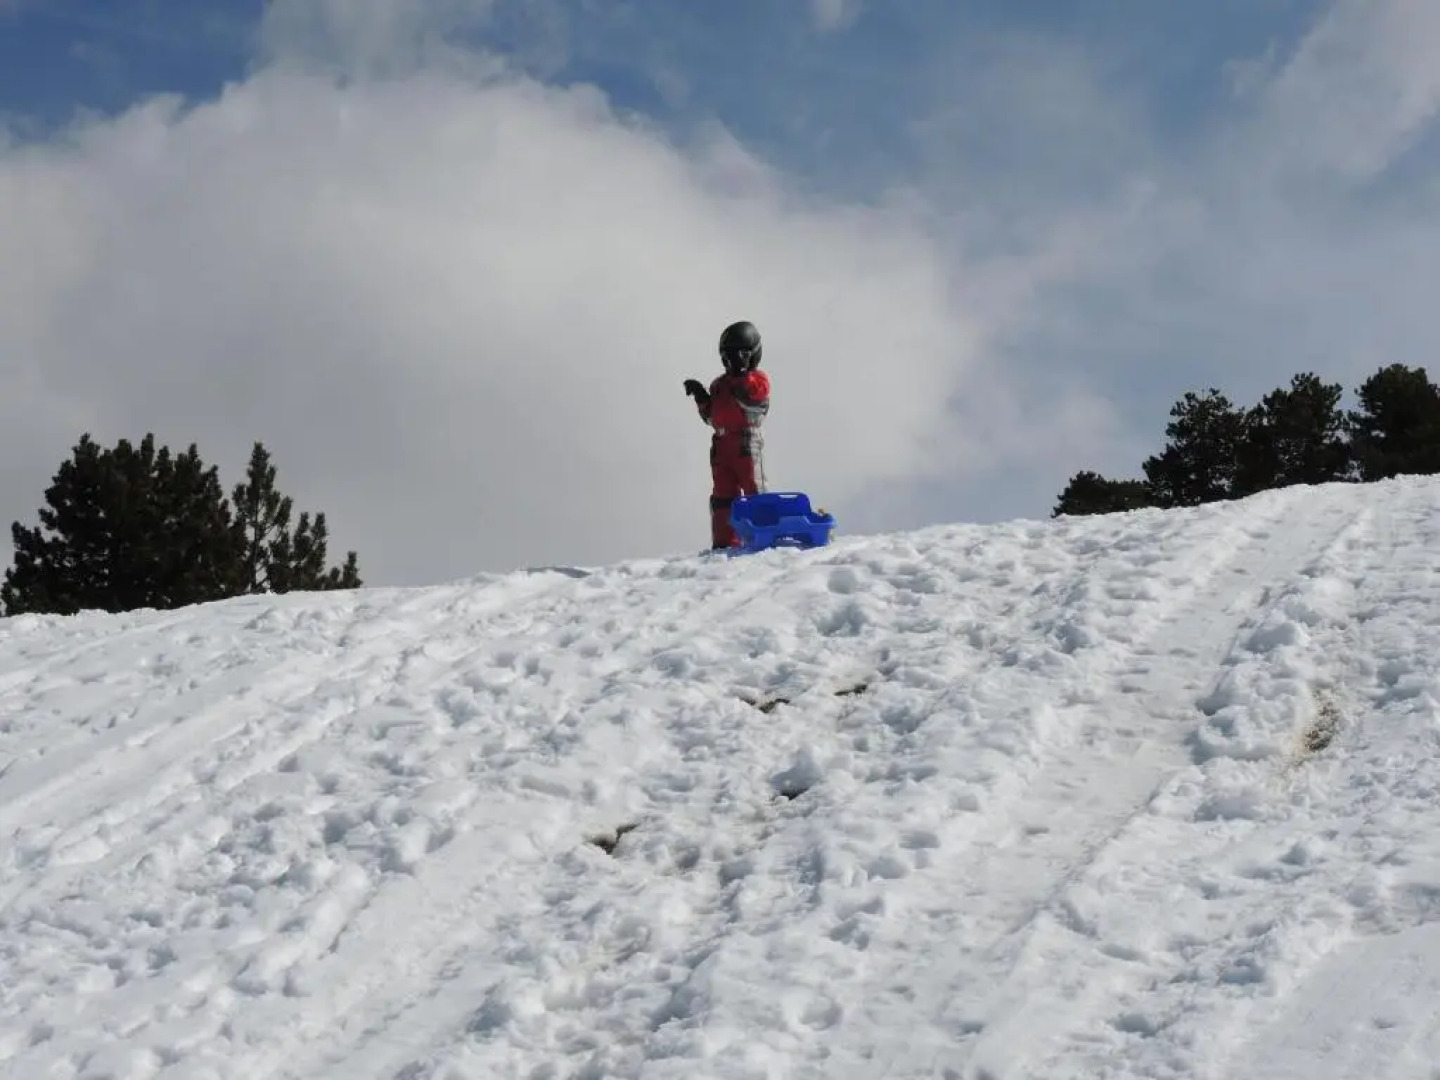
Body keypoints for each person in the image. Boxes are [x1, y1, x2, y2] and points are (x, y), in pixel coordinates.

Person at [684, 320, 771, 549]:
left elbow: (755, 401)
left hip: (745, 443)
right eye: (727, 357)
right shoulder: (719, 385)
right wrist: (702, 397)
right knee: (723, 496)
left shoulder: (758, 380)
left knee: (754, 488)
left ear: (751, 355)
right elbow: (713, 418)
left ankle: (762, 534)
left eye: (739, 355)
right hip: (721, 446)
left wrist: (743, 375)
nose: (731, 362)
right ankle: (725, 541)